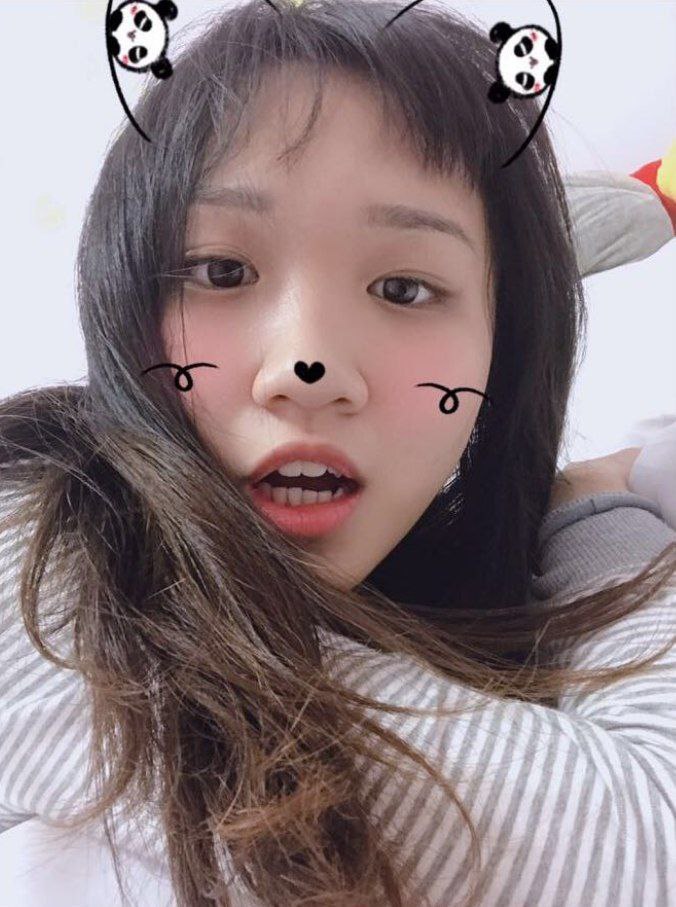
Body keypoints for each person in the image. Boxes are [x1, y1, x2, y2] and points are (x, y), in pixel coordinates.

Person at [0, 1, 674, 905]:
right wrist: (594, 510)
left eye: (404, 287)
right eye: (222, 272)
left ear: (503, 351)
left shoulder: (442, 594)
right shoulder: (33, 551)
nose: (308, 369)